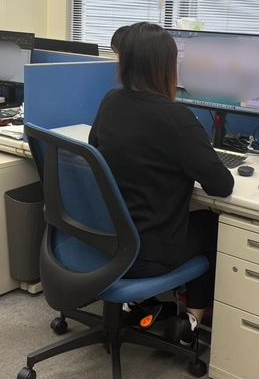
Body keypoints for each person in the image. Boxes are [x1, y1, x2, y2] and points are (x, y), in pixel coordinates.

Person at [89, 22, 234, 342]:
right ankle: (192, 320)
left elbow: (93, 152)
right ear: (168, 66)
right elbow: (221, 186)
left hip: (107, 242)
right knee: (213, 223)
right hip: (147, 254)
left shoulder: (110, 102)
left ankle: (140, 302)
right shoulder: (176, 118)